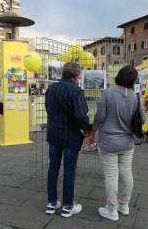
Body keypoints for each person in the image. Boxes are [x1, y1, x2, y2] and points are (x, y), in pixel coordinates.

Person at [89, 65, 144, 222]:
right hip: (127, 142)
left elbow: (99, 117)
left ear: (119, 76)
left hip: (108, 142)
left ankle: (111, 209)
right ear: (133, 80)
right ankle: (124, 205)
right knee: (127, 173)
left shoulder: (107, 93)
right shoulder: (135, 96)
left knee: (111, 176)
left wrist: (92, 132)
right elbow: (143, 119)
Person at [45, 62, 92, 218]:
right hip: (71, 136)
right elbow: (80, 115)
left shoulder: (51, 88)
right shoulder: (76, 91)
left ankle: (51, 203)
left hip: (53, 134)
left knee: (53, 168)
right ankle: (67, 206)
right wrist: (87, 129)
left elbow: (48, 109)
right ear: (75, 76)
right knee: (69, 170)